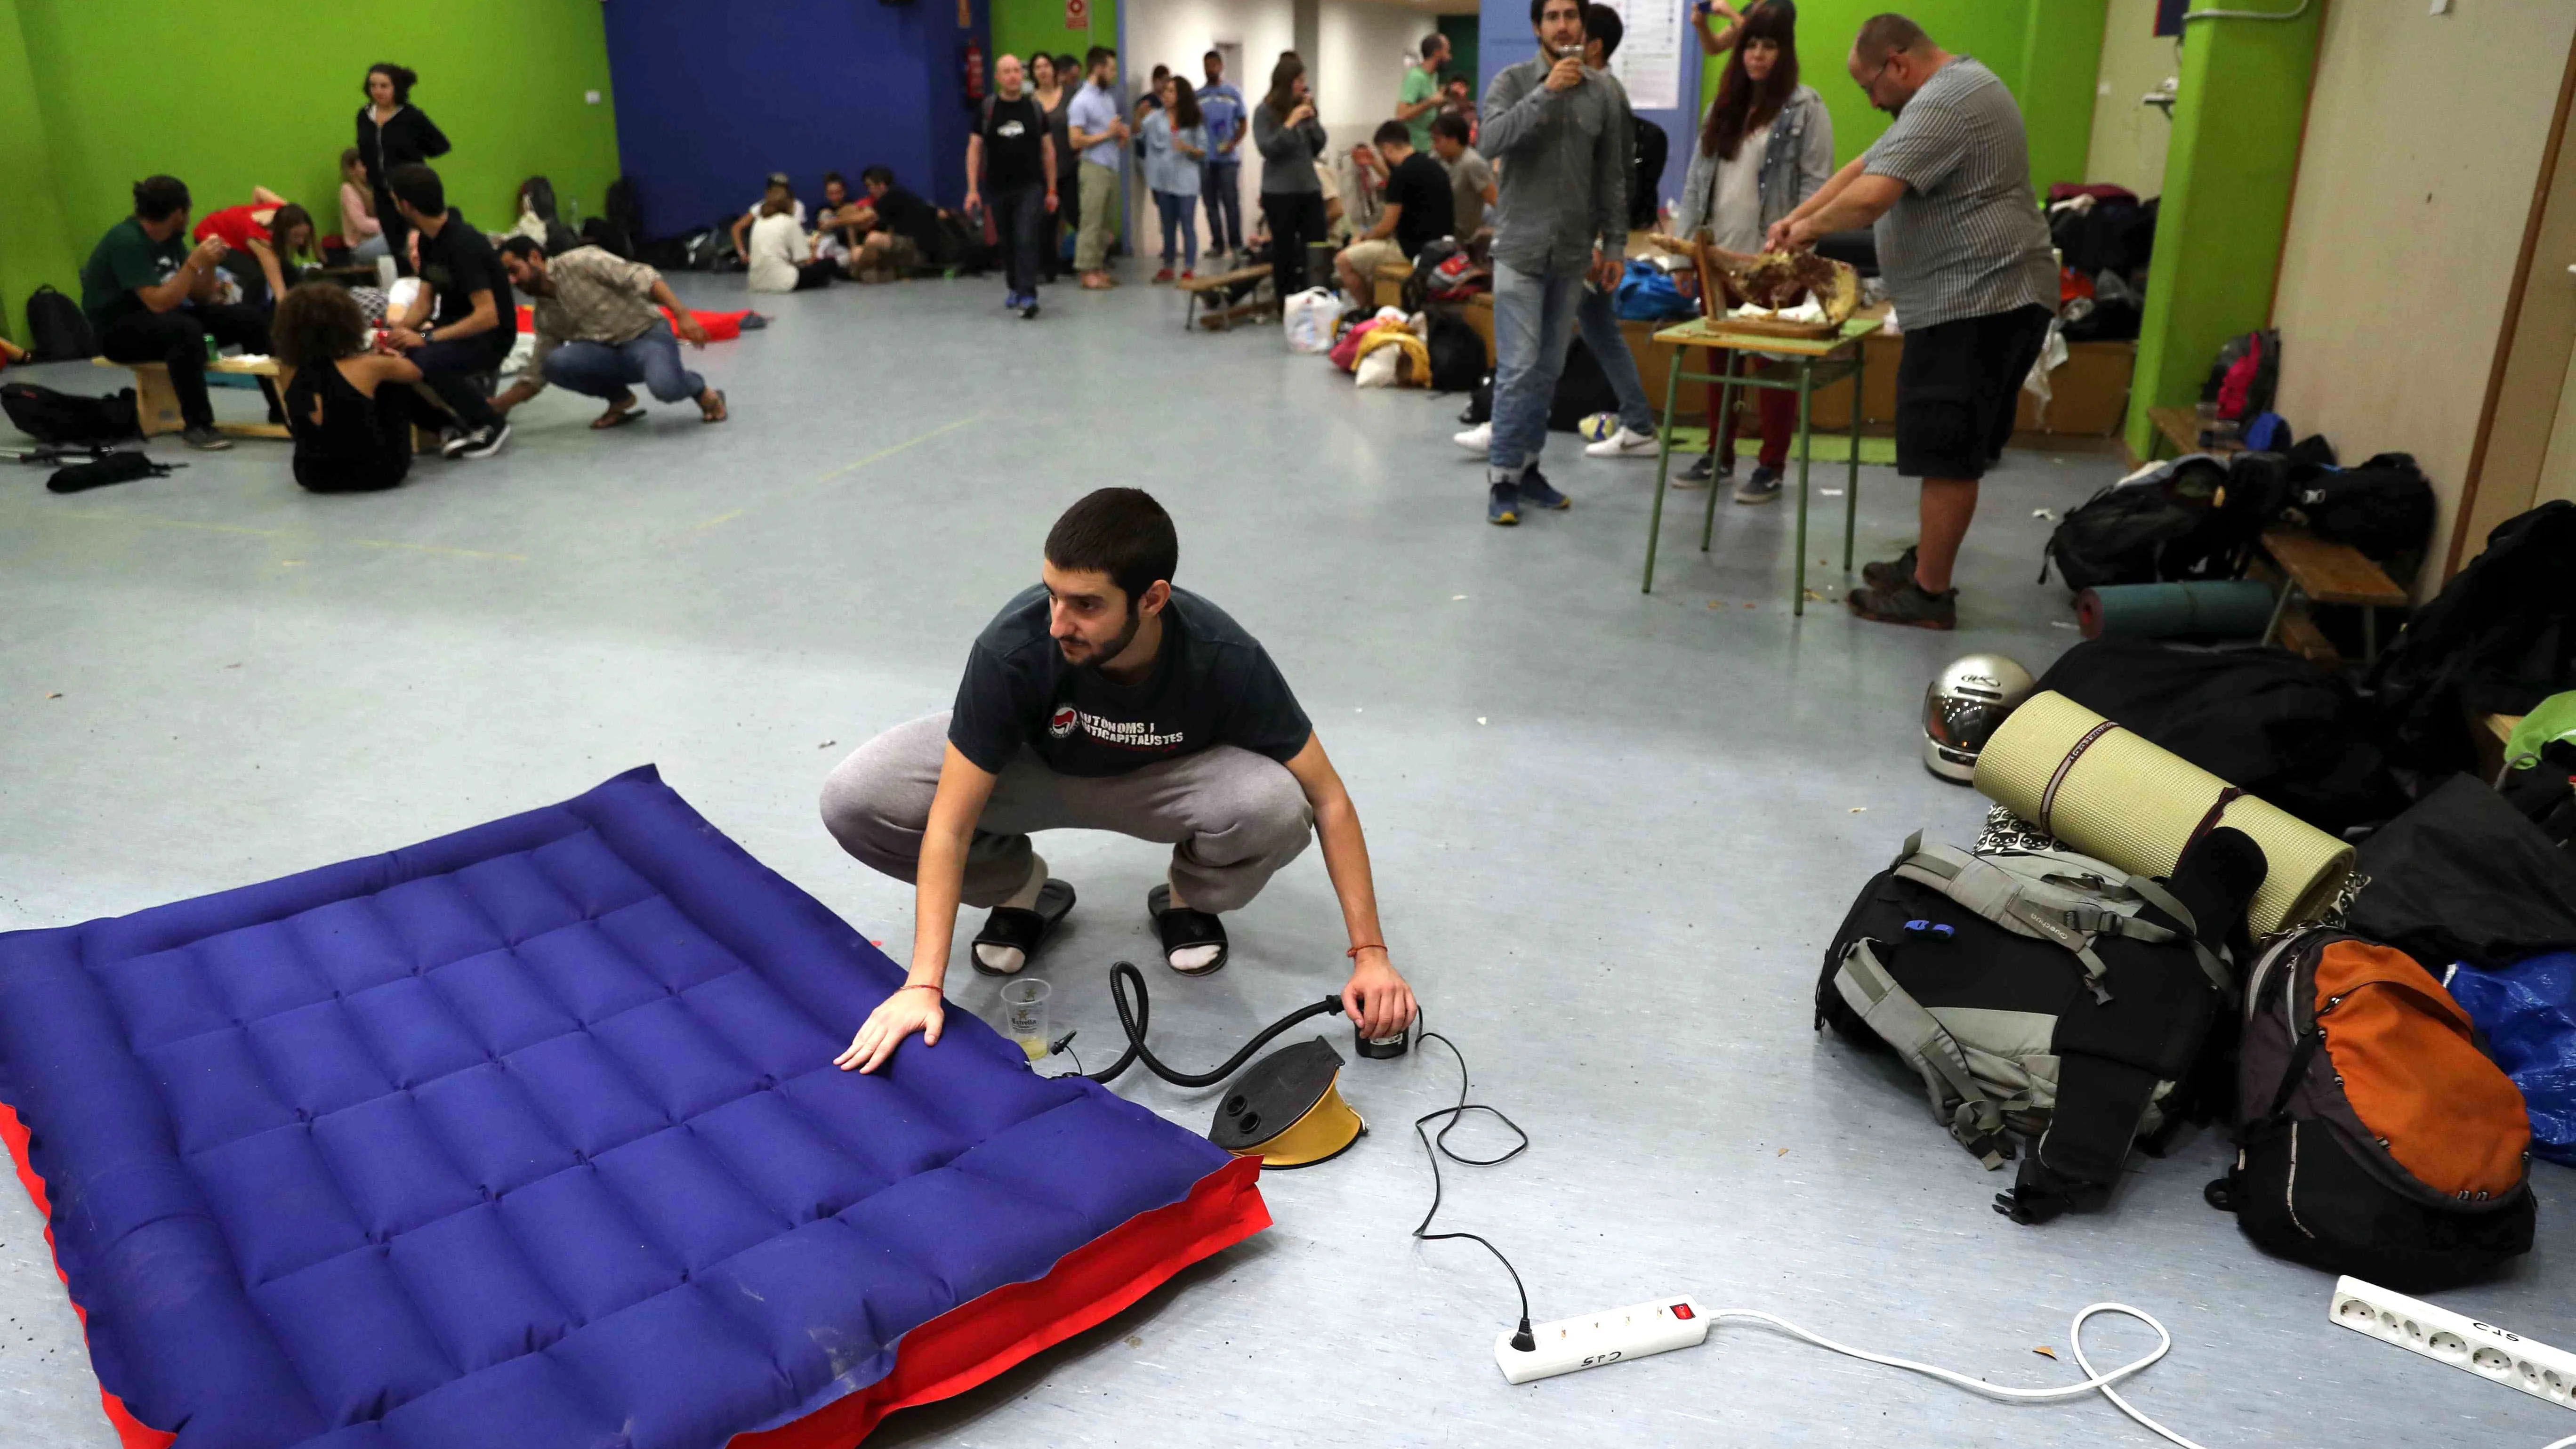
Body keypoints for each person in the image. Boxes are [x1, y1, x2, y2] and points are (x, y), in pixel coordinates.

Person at [820, 488, 1419, 1075]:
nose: (1059, 623)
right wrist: (923, 985)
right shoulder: (1016, 647)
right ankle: (1021, 886)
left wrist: (1371, 957)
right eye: (1053, 596)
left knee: (1278, 806)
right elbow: (949, 825)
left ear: (1153, 599)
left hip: (1160, 784)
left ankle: (1188, 897)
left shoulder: (1222, 655)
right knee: (857, 798)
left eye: (1086, 605)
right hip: (1033, 771)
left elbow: (1330, 799)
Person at [1765, 13, 2054, 630]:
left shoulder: (1947, 100)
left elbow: (1871, 198)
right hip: (1970, 299)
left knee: (1950, 451)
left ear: (1898, 64)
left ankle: (1929, 594)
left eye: (1871, 88)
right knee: (1942, 443)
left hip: (1981, 300)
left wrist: (1808, 234)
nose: (1871, 102)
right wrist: (1797, 218)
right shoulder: (1948, 92)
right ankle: (1928, 563)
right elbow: (1862, 168)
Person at [1458, 0, 1662, 527]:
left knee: (1548, 370)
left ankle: (1528, 467)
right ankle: (1501, 476)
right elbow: (1492, 142)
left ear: (1583, 26)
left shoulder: (1605, 93)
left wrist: (1615, 246)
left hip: (1573, 254)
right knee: (1520, 367)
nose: (1563, 25)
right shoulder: (1513, 81)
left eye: (1571, 15)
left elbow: (1615, 176)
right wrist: (1545, 93)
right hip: (1521, 250)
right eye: (1552, 16)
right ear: (1538, 27)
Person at [1660, 0, 1831, 500]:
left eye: (1769, 45)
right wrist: (1683, 257)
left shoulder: (1806, 109)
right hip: (1720, 263)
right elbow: (1695, 187)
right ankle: (1719, 453)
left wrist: (1793, 262)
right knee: (1722, 366)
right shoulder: (1723, 109)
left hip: (1773, 266)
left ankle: (1771, 465)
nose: (1757, 55)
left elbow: (1816, 191)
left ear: (1786, 50)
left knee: (1771, 366)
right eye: (1751, 44)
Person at [80, 176, 279, 451]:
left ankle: (282, 408)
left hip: (162, 319)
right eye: (189, 209)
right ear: (178, 213)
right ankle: (198, 425)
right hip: (117, 331)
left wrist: (208, 265)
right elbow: (158, 303)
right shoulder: (126, 241)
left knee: (249, 319)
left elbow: (200, 296)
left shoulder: (172, 239)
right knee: (184, 332)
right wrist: (192, 264)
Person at [490, 238, 728, 429]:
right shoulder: (544, 315)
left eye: (514, 271)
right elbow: (537, 373)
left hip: (646, 335)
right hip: (606, 354)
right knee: (555, 363)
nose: (512, 281)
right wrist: (500, 405)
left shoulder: (581, 261)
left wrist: (682, 315)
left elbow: (644, 276)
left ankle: (701, 390)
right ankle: (620, 399)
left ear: (534, 257)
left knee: (665, 389)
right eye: (506, 276)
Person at [381, 163, 515, 459]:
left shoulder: (463, 244)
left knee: (426, 358)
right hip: (455, 328)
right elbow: (424, 302)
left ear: (406, 205)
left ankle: (490, 424)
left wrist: (428, 339)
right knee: (390, 360)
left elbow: (488, 315)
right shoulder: (429, 241)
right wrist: (396, 334)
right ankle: (448, 426)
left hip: (490, 337)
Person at [271, 281, 434, 493]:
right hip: (377, 474)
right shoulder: (369, 366)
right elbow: (415, 372)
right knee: (393, 385)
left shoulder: (286, 370)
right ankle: (448, 428)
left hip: (312, 476)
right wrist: (386, 358)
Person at [968, 54, 1058, 317]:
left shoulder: (1035, 110)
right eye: (1006, 72)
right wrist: (972, 189)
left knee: (1026, 237)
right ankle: (1014, 287)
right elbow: (974, 150)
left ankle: (1028, 294)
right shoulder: (987, 110)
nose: (1013, 76)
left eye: (1017, 71)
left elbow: (1048, 151)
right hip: (997, 187)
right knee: (1007, 241)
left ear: (1023, 75)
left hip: (1031, 186)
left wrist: (1052, 189)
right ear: (998, 78)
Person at [1333, 121, 1455, 303]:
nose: (1383, 158)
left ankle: (1368, 313)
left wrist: (1362, 238)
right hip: (1442, 247)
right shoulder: (1434, 166)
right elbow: (1401, 186)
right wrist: (1375, 164)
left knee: (1344, 261)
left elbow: (1386, 227)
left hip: (1410, 251)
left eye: (1382, 153)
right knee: (1367, 256)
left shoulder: (1402, 174)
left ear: (1388, 148)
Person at [354, 64, 449, 278]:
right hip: (383, 194)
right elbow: (364, 150)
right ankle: (407, 290)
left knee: (422, 244)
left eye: (384, 86)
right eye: (373, 86)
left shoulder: (411, 117)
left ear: (397, 88)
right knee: (398, 248)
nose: (378, 91)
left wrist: (410, 155)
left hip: (411, 192)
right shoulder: (364, 116)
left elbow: (439, 146)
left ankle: (431, 286)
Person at [1253, 55, 1329, 296]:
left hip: (1308, 188)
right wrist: (1290, 123)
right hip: (1279, 192)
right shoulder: (1264, 112)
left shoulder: (1303, 112)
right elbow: (1268, 149)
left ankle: (1318, 296)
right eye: (1299, 80)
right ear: (1285, 83)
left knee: (1317, 245)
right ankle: (1286, 301)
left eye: (1304, 80)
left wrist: (1312, 120)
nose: (1303, 85)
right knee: (1284, 250)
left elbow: (1318, 146)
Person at [1067, 48, 1130, 290]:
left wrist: (1120, 136)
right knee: (1091, 221)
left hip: (1111, 165)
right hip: (1093, 167)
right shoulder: (1081, 101)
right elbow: (1075, 141)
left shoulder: (1107, 98)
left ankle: (1098, 267)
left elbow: (1113, 131)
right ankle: (1086, 271)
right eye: (1111, 69)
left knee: (1106, 223)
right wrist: (1108, 134)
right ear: (1098, 69)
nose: (1114, 74)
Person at [192, 189, 318, 309]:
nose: (301, 242)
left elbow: (258, 191)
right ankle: (251, 317)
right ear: (283, 232)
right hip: (211, 234)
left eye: (304, 236)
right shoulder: (261, 241)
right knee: (256, 278)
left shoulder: (286, 211)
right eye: (296, 236)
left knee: (292, 274)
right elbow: (280, 293)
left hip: (240, 231)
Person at [1142, 76, 1208, 283]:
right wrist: (1138, 116)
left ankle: (1189, 267)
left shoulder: (1194, 118)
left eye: (1172, 91)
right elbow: (1138, 132)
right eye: (1165, 91)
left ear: (1182, 95)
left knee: (1187, 224)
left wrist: (1188, 148)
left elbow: (1203, 151)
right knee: (1167, 225)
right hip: (1163, 181)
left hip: (1187, 181)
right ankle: (1168, 266)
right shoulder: (1155, 118)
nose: (1166, 95)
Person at [850, 166, 945, 283]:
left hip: (919, 250)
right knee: (857, 254)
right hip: (903, 253)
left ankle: (854, 273)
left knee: (873, 239)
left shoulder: (893, 196)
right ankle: (897, 273)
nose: (869, 191)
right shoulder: (893, 201)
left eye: (870, 186)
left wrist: (833, 222)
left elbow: (866, 218)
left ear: (881, 185)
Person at [1197, 50, 1248, 262]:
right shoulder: (1197, 96)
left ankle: (1236, 244)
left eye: (1214, 65)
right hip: (1205, 159)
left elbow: (1244, 124)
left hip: (1228, 160)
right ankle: (1217, 244)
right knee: (1210, 204)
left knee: (1231, 202)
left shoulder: (1233, 93)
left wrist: (1233, 143)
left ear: (1221, 66)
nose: (1210, 69)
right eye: (1207, 65)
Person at [1031, 54, 1075, 281]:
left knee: (1078, 216)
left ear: (1054, 69)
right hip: (1042, 171)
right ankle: (1047, 268)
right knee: (1046, 221)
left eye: (1046, 66)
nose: (1043, 71)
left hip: (1070, 166)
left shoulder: (1070, 95)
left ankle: (1090, 262)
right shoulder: (1030, 102)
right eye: (1038, 67)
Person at [746, 196, 834, 291]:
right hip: (785, 282)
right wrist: (814, 247)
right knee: (829, 263)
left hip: (755, 283)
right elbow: (805, 261)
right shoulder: (790, 221)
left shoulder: (758, 222)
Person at [1430, 112, 1496, 239]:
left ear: (1453, 140)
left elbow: (1494, 199)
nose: (1434, 146)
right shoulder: (1436, 158)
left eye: (1437, 141)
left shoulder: (1472, 163)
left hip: (1459, 235)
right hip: (1437, 227)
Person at [730, 173, 806, 266]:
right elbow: (736, 228)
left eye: (782, 189)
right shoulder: (760, 208)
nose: (778, 193)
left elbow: (796, 236)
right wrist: (742, 254)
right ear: (769, 191)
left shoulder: (798, 206)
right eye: (775, 189)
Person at [1397, 33, 1451, 153]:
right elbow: (1401, 115)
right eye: (1447, 52)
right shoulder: (1415, 77)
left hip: (1429, 146)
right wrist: (1430, 102)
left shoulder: (1433, 76)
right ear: (1437, 53)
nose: (1449, 57)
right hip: (1416, 149)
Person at [337, 148, 387, 265]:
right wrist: (390, 226)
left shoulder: (371, 190)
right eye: (364, 166)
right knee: (396, 239)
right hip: (360, 248)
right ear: (352, 170)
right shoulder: (348, 189)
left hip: (377, 240)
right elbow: (362, 224)